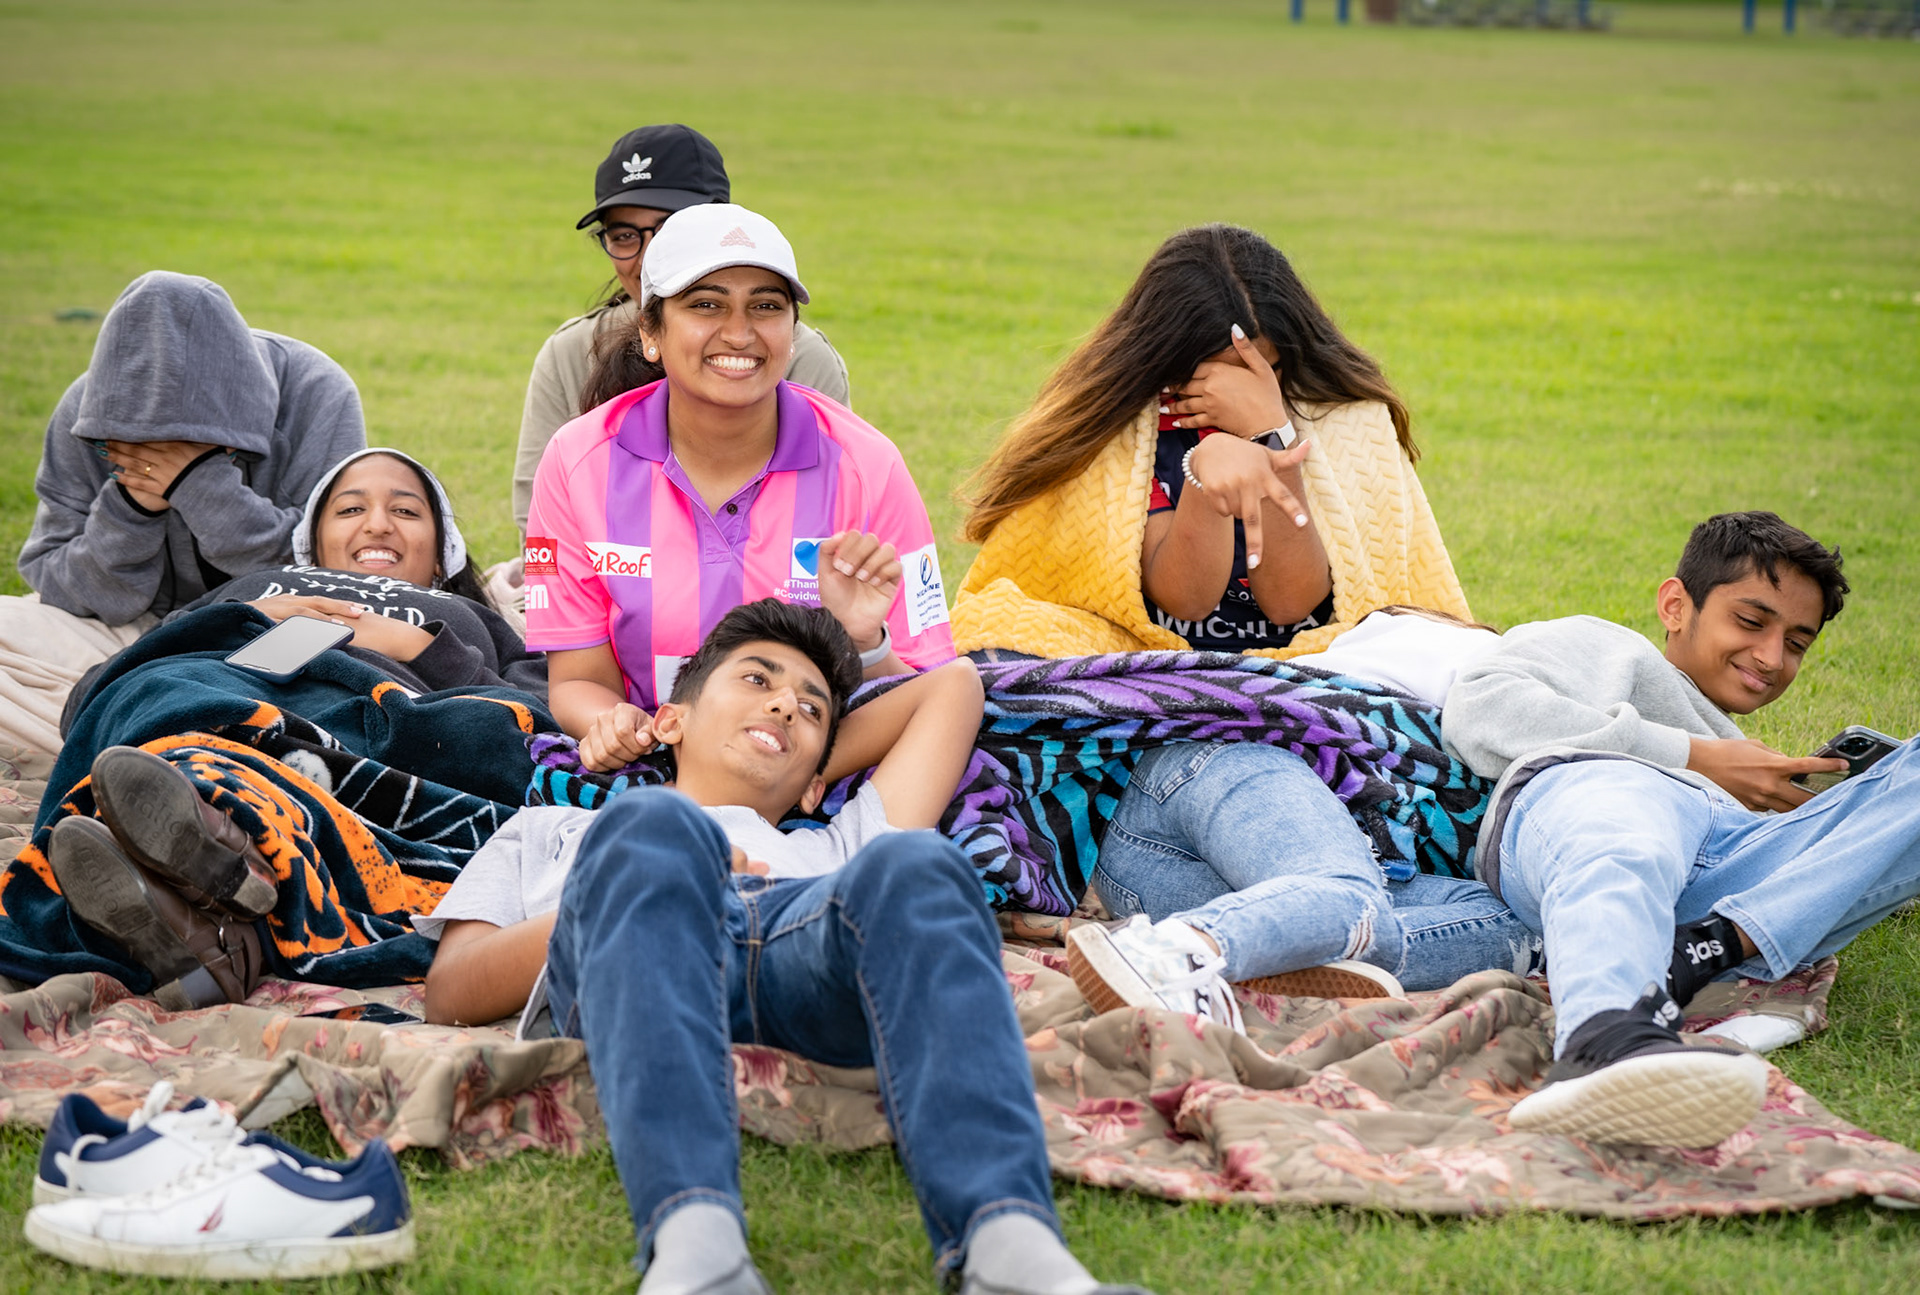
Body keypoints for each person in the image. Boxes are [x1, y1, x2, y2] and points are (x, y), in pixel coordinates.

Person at [418, 600, 1151, 1295]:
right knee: (655, 826)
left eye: (811, 708)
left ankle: (1013, 1251)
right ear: (671, 719)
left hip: (802, 948)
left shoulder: (838, 842)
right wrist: (650, 877)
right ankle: (697, 1256)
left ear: (814, 786)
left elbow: (953, 686)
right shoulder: (556, 830)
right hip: (635, 953)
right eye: (757, 680)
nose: (784, 706)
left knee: (920, 864)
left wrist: (811, 761)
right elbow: (451, 990)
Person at [951, 225, 1524, 1020]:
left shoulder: (1340, 423)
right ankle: (1230, 945)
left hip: (1320, 754)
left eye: (1267, 366)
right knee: (1348, 893)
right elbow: (1180, 600)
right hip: (1180, 752)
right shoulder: (1117, 436)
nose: (1246, 383)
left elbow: (1297, 603)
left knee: (1507, 919)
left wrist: (1271, 434)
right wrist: (1205, 481)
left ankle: (1210, 949)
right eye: (1218, 369)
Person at [1443, 511, 1920, 1148]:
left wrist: (1837, 820)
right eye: (1750, 621)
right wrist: (1693, 757)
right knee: (1631, 826)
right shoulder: (1603, 646)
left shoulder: (1750, 766)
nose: (1771, 657)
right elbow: (1480, 706)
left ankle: (1703, 949)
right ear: (1675, 605)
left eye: (1796, 643)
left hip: (1725, 880)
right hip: (1594, 799)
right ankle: (1604, 1038)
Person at [525, 201, 952, 773]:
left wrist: (865, 642)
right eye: (706, 304)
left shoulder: (869, 466)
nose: (739, 332)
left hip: (824, 772)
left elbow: (931, 695)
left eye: (766, 306)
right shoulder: (577, 462)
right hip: (653, 770)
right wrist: (615, 723)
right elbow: (577, 679)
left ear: (793, 334)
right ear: (650, 331)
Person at [1, 272, 365, 791]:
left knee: (328, 670)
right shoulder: (88, 411)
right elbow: (56, 583)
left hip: (265, 623)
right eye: (132, 445)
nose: (152, 456)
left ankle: (145, 741)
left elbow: (328, 569)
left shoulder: (317, 394)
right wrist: (130, 506)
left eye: (182, 443)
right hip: (120, 626)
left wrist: (200, 484)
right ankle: (139, 735)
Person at [512, 123, 850, 539]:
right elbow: (541, 522)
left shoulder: (795, 355)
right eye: (624, 235)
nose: (649, 256)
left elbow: (830, 513)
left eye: (671, 228)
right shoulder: (570, 352)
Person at [146, 448, 546, 702]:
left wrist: (418, 646)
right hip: (225, 700)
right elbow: (141, 659)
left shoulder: (475, 617)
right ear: (312, 548)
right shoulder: (257, 586)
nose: (377, 525)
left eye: (405, 511)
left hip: (394, 732)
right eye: (351, 510)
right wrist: (237, 617)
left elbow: (541, 718)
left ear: (442, 558)